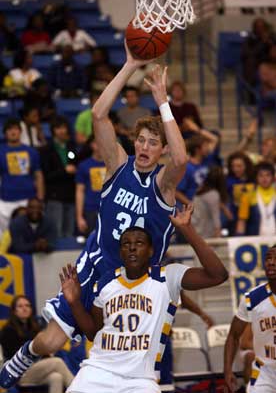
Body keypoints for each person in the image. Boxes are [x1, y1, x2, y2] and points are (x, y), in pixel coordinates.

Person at [0, 44, 187, 389]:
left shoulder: (164, 185)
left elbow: (181, 159)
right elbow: (100, 115)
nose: (145, 147)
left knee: (132, 361)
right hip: (96, 267)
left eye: (152, 143)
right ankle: (26, 353)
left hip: (139, 283)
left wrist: (163, 103)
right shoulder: (118, 166)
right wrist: (130, 64)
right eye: (141, 140)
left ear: (160, 150)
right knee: (50, 343)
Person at [59, 206, 228, 393]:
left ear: (150, 250)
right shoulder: (106, 281)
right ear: (120, 252)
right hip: (99, 370)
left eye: (139, 243)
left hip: (140, 379)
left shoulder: (167, 277)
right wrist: (74, 302)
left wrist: (187, 230)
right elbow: (93, 332)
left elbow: (218, 275)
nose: (132, 247)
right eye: (126, 244)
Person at [224, 245, 276, 393]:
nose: (271, 262)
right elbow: (233, 336)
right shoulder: (252, 299)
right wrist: (227, 371)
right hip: (265, 375)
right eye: (268, 258)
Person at [0, 295, 73, 393]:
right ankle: (79, 390)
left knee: (56, 377)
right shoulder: (8, 330)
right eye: (20, 306)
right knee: (57, 362)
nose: (25, 308)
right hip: (18, 372)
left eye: (27, 305)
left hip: (36, 370)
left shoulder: (35, 326)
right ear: (14, 310)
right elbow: (14, 356)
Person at [0, 118, 44, 236]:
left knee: (27, 233)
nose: (13, 132)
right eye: (9, 129)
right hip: (6, 199)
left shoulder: (31, 152)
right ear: (5, 133)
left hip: (28, 198)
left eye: (15, 129)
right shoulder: (1, 151)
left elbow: (38, 175)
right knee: (5, 235)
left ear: (20, 131)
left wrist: (40, 197)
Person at [40, 117, 77, 238]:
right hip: (54, 197)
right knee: (56, 233)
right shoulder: (46, 150)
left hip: (70, 196)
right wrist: (64, 171)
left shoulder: (71, 147)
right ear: (53, 131)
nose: (61, 131)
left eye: (63, 128)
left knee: (70, 233)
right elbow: (46, 175)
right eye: (58, 128)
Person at [176, 133, 219, 205]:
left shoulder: (206, 160)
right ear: (197, 150)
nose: (208, 148)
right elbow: (177, 192)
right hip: (195, 208)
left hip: (207, 205)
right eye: (205, 146)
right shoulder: (187, 168)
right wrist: (192, 205)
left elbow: (215, 139)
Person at [76, 135, 106, 235]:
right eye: (96, 142)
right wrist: (79, 217)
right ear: (92, 145)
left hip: (109, 208)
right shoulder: (84, 165)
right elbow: (80, 191)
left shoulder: (113, 164)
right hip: (91, 210)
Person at [236, 162, 276, 236]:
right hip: (255, 242)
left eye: (268, 175)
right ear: (256, 178)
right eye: (261, 175)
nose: (264, 178)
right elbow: (242, 221)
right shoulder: (247, 196)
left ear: (273, 177)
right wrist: (239, 239)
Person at [192, 165, 228, 238]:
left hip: (195, 229)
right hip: (203, 233)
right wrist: (218, 238)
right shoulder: (213, 195)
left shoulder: (201, 191)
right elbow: (216, 219)